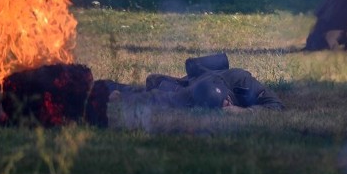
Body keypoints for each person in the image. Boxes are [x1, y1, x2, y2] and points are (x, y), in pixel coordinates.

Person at [108, 53, 285, 112]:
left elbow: (276, 105)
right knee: (157, 86)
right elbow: (159, 99)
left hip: (216, 73)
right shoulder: (192, 95)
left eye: (226, 102)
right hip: (195, 81)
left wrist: (243, 112)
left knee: (161, 84)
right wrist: (123, 98)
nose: (226, 105)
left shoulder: (243, 81)